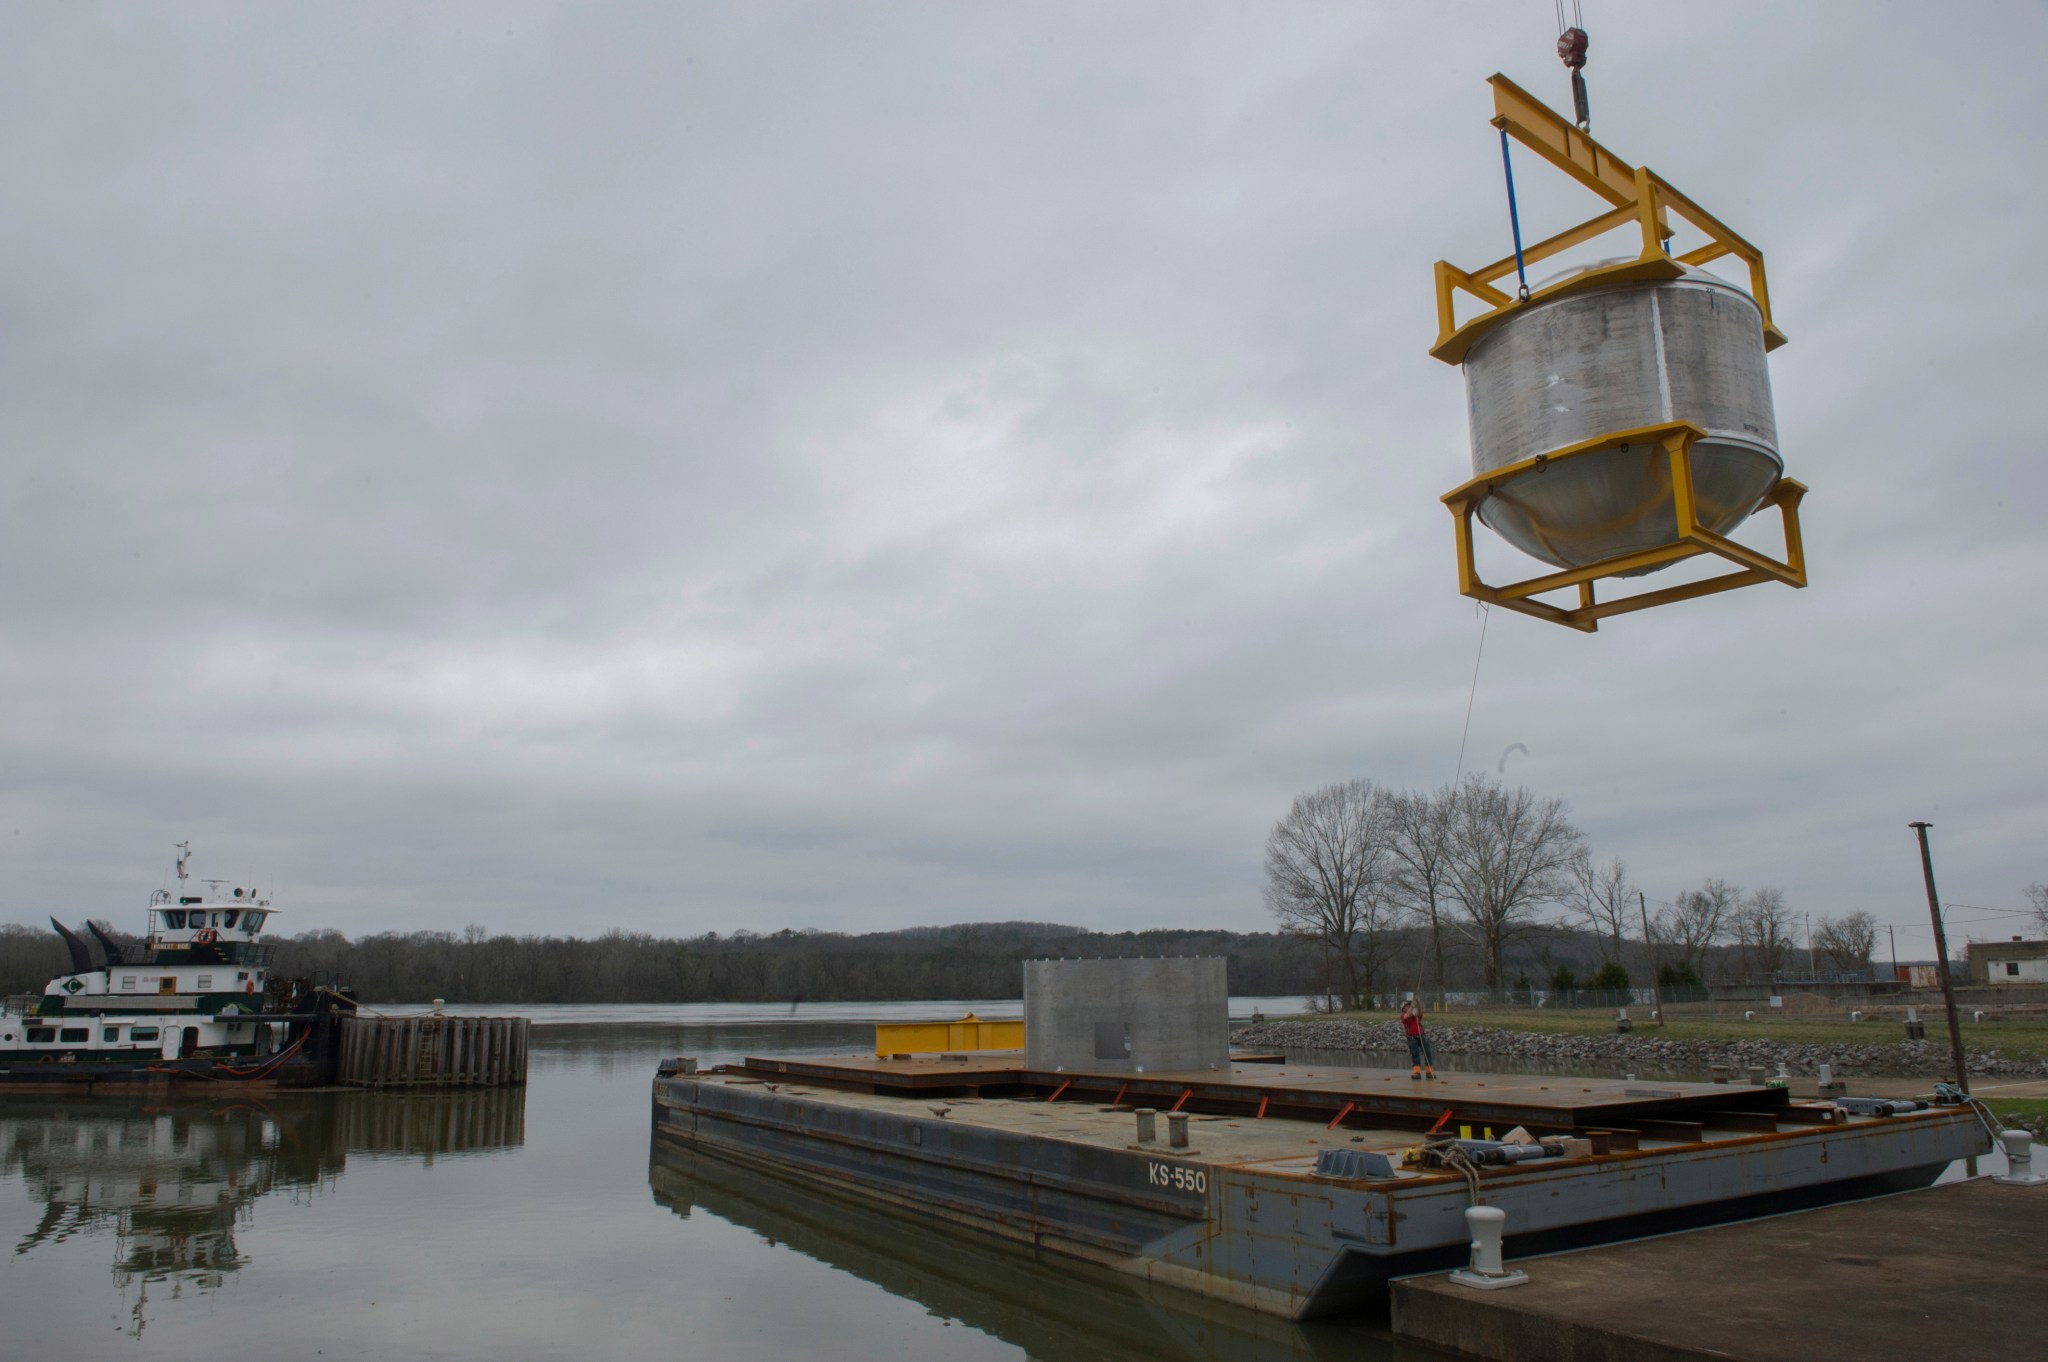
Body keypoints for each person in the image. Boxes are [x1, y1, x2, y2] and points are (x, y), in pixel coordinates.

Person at [1399, 998, 1436, 1080]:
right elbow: (1407, 1015)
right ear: (1403, 1009)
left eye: (1409, 1005)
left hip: (1421, 1036)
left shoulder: (1415, 1014)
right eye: (1406, 1006)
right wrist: (1412, 1005)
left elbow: (1420, 1014)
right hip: (1412, 1038)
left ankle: (1429, 1072)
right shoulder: (1403, 1016)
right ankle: (1417, 1073)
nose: (1408, 1007)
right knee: (1416, 1056)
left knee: (1427, 1054)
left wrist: (1418, 1002)